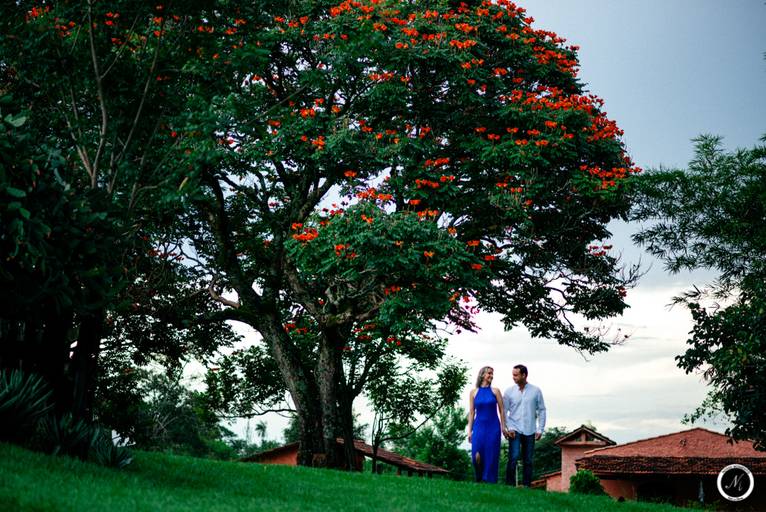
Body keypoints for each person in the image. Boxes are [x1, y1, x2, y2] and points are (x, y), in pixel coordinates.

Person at [503, 364, 546, 487]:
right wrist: (509, 427)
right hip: (514, 429)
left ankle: (527, 486)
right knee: (514, 456)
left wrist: (540, 429)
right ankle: (509, 485)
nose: (513, 377)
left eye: (516, 375)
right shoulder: (509, 392)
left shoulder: (536, 391)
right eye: (513, 375)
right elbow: (504, 411)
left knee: (528, 460)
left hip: (530, 429)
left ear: (524, 375)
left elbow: (542, 410)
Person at [467, 366, 507, 483]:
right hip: (478, 427)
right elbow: (471, 412)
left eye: (492, 373)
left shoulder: (496, 391)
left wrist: (503, 427)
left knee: (491, 454)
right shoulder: (473, 392)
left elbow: (502, 410)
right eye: (489, 373)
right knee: (476, 454)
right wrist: (469, 431)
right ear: (482, 375)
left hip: (493, 427)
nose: (491, 375)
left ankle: (489, 480)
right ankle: (479, 477)